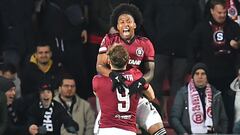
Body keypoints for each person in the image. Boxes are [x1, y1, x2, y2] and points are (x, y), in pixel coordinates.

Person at [96, 3, 165, 135]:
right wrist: (113, 75)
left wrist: (140, 82)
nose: (125, 24)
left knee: (159, 131)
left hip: (135, 90)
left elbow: (150, 71)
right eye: (121, 22)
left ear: (134, 24)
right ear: (117, 27)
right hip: (113, 93)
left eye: (128, 21)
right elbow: (99, 66)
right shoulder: (109, 39)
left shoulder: (145, 43)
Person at [188, 0, 240, 132]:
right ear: (211, 11)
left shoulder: (234, 27)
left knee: (229, 109)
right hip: (209, 76)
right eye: (219, 12)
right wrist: (193, 69)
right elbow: (191, 48)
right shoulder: (202, 27)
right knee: (209, 108)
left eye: (224, 12)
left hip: (229, 76)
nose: (222, 15)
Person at [93, 44, 157, 135]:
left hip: (106, 130)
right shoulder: (136, 76)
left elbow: (98, 94)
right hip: (128, 131)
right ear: (127, 61)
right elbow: (151, 96)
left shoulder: (98, 80)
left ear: (109, 61)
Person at [170, 63, 228, 134]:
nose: (200, 77)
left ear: (207, 77)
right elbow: (174, 118)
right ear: (192, 77)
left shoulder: (216, 94)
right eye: (197, 74)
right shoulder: (182, 93)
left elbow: (223, 120)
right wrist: (184, 133)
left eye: (203, 74)